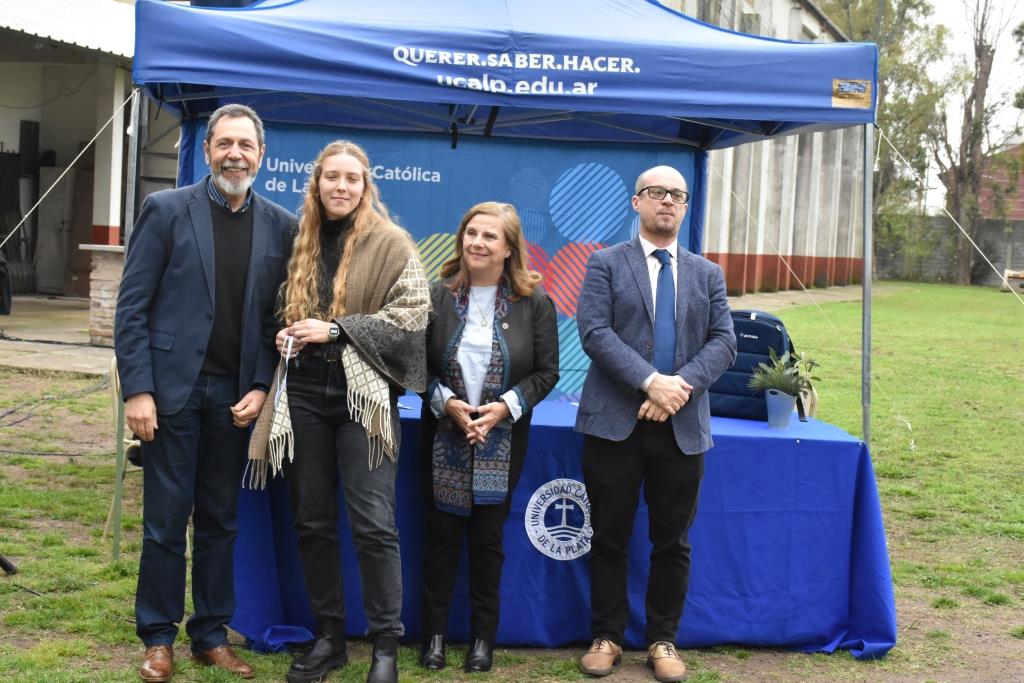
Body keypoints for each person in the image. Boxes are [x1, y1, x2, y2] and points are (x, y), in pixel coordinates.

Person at [114, 103, 295, 682]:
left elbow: (276, 321)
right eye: (224, 144)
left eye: (245, 145)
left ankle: (211, 635)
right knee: (165, 521)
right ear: (207, 150)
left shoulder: (282, 226)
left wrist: (263, 386)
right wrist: (138, 390)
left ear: (261, 155)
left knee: (220, 521)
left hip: (236, 400)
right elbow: (132, 307)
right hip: (171, 394)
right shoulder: (166, 210)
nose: (234, 155)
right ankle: (158, 637)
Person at [270, 140, 429, 683]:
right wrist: (286, 332)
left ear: (365, 186)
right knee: (312, 520)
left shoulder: (390, 241)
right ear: (316, 183)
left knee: (373, 523)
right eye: (332, 177)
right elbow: (281, 305)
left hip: (364, 397)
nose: (341, 186)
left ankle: (385, 644)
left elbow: (413, 315)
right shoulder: (301, 238)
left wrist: (337, 329)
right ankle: (330, 638)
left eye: (352, 178)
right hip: (303, 392)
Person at [574, 166, 736, 683]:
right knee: (610, 537)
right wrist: (650, 382)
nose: (667, 201)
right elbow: (594, 332)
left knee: (673, 542)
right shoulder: (604, 263)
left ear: (685, 207)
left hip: (681, 427)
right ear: (636, 202)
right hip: (613, 425)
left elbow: (724, 342)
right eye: (656, 192)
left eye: (677, 195)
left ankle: (663, 640)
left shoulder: (708, 274)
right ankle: (607, 636)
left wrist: (676, 389)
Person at [418, 202, 559, 673]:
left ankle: (482, 639)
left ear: (509, 248)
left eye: (489, 236)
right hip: (443, 431)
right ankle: (434, 637)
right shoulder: (437, 295)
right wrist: (445, 403)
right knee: (440, 536)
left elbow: (546, 372)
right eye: (471, 233)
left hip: (504, 436)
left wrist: (504, 409)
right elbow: (414, 364)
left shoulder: (534, 302)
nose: (477, 243)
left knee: (487, 539)